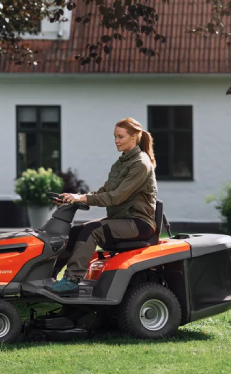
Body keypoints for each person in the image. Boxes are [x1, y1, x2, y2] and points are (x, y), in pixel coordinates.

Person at [46, 117, 158, 294]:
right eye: (115, 136)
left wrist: (82, 198)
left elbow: (116, 197)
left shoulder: (140, 164)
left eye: (120, 137)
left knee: (91, 231)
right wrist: (73, 198)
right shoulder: (121, 163)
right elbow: (104, 191)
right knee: (75, 231)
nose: (116, 141)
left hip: (138, 223)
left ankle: (72, 280)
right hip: (122, 220)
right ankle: (50, 276)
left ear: (134, 137)